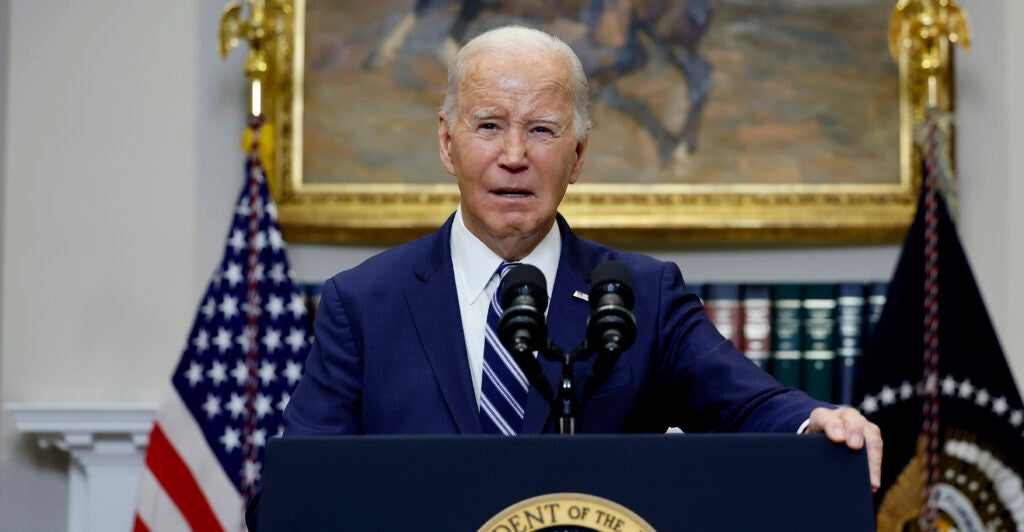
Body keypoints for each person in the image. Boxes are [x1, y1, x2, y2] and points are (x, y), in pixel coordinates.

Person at [282, 25, 882, 486]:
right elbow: (293, 493)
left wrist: (818, 422)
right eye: (489, 126)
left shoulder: (640, 295)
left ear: (579, 156)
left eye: (542, 130)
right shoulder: (363, 303)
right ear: (447, 142)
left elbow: (750, 403)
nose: (514, 155)